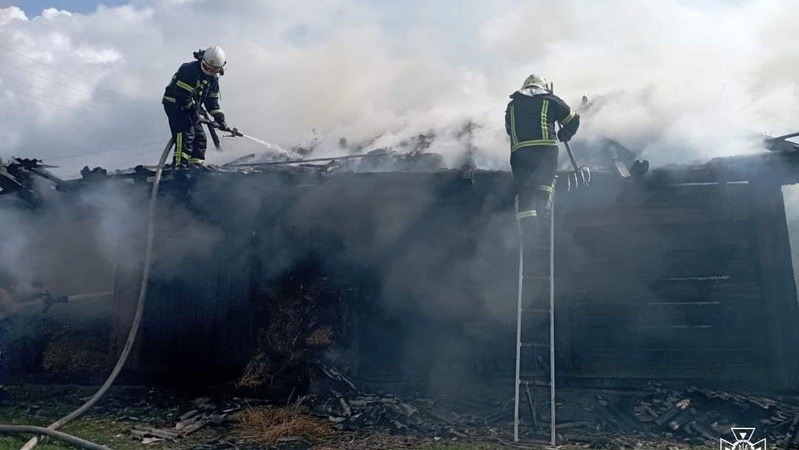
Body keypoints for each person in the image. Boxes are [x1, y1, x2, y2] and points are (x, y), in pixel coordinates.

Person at [505, 74, 580, 241]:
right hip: (546, 150)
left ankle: (530, 232)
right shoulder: (551, 100)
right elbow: (574, 119)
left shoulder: (512, 106)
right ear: (543, 87)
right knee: (545, 183)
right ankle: (543, 213)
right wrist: (564, 133)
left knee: (524, 191)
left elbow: (509, 130)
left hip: (520, 152)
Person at [162, 45, 229, 168]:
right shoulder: (189, 70)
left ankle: (195, 168)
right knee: (186, 134)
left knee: (200, 138)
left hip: (192, 107)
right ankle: (179, 168)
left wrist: (219, 118)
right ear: (202, 61)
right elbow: (183, 97)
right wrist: (195, 114)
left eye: (214, 70)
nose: (210, 71)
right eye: (207, 67)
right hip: (175, 105)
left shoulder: (213, 79)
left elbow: (212, 101)